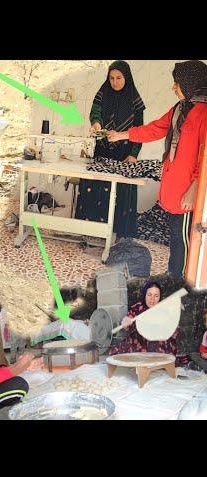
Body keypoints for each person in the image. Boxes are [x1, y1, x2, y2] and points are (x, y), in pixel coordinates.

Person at [108, 60, 207, 279]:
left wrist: (195, 187)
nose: (174, 87)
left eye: (177, 83)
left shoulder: (204, 113)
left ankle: (180, 280)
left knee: (183, 239)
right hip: (175, 186)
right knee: (175, 236)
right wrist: (122, 135)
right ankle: (174, 273)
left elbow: (205, 158)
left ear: (192, 83)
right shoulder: (180, 109)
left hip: (189, 192)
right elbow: (155, 129)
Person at [76, 60, 145, 239]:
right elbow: (95, 112)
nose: (115, 82)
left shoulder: (135, 101)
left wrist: (133, 154)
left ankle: (117, 234)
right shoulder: (103, 93)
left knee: (121, 192)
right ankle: (89, 230)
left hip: (124, 154)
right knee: (95, 187)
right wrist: (96, 122)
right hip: (101, 151)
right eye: (111, 78)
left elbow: (139, 131)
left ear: (126, 77)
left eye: (119, 78)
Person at [108, 280, 179, 357]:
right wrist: (125, 321)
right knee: (114, 354)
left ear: (160, 297)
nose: (152, 299)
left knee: (156, 356)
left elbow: (174, 330)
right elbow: (129, 318)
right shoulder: (138, 307)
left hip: (158, 341)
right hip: (139, 340)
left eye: (156, 296)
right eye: (149, 295)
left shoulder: (164, 310)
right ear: (145, 294)